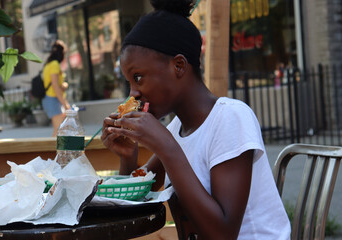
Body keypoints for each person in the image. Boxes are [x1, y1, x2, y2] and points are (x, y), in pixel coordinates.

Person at [101, 0, 291, 239]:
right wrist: (128, 156)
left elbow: (223, 234)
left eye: (138, 78)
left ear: (179, 66)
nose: (133, 93)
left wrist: (166, 146)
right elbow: (140, 198)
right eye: (129, 82)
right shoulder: (178, 127)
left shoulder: (230, 117)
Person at [42, 40, 70, 137]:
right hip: (53, 99)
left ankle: (58, 152)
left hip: (52, 99)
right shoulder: (54, 64)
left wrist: (64, 85)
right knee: (58, 131)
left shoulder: (49, 64)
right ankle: (51, 152)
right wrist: (65, 104)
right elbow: (55, 86)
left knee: (60, 130)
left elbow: (56, 84)